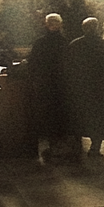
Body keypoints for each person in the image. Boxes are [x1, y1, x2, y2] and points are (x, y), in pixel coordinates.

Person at [65, 17, 104, 157]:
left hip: (82, 87)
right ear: (96, 28)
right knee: (98, 117)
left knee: (80, 115)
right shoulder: (103, 45)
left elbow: (69, 67)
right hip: (99, 88)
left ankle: (77, 146)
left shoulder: (75, 44)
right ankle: (95, 147)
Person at [28, 13, 74, 159]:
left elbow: (32, 63)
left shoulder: (40, 43)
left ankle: (51, 144)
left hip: (45, 85)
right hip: (61, 85)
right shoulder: (65, 42)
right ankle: (61, 144)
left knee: (48, 114)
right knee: (60, 114)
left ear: (47, 25)